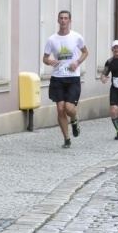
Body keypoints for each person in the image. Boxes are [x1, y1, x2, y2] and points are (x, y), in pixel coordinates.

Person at [43, 10, 88, 149]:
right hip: (58, 78)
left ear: (70, 20)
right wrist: (49, 61)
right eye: (61, 18)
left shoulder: (77, 37)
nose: (63, 20)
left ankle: (74, 120)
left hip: (73, 77)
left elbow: (85, 52)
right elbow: (45, 58)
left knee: (69, 108)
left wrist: (77, 62)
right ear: (58, 20)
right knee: (60, 108)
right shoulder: (52, 39)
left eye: (66, 18)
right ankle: (67, 138)